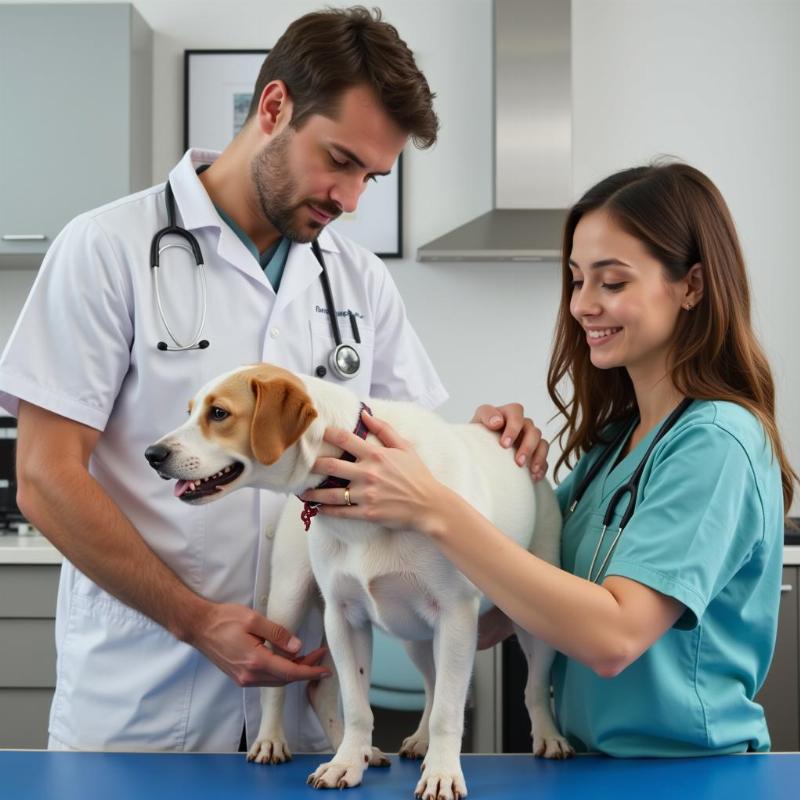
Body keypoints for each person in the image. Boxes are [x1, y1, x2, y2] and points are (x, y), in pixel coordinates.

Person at [0, 7, 545, 753]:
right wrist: (196, 620)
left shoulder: (358, 282)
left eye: (371, 177)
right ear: (274, 107)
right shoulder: (106, 251)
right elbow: (43, 477)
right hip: (144, 711)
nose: (350, 199)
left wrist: (484, 453)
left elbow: (410, 479)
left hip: (313, 728)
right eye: (340, 160)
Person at [302, 161, 798, 756]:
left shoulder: (717, 441)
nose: (583, 304)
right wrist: (488, 470)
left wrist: (435, 506)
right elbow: (499, 613)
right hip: (593, 767)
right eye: (575, 280)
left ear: (691, 285)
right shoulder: (614, 445)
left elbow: (613, 639)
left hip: (687, 774)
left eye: (612, 283)